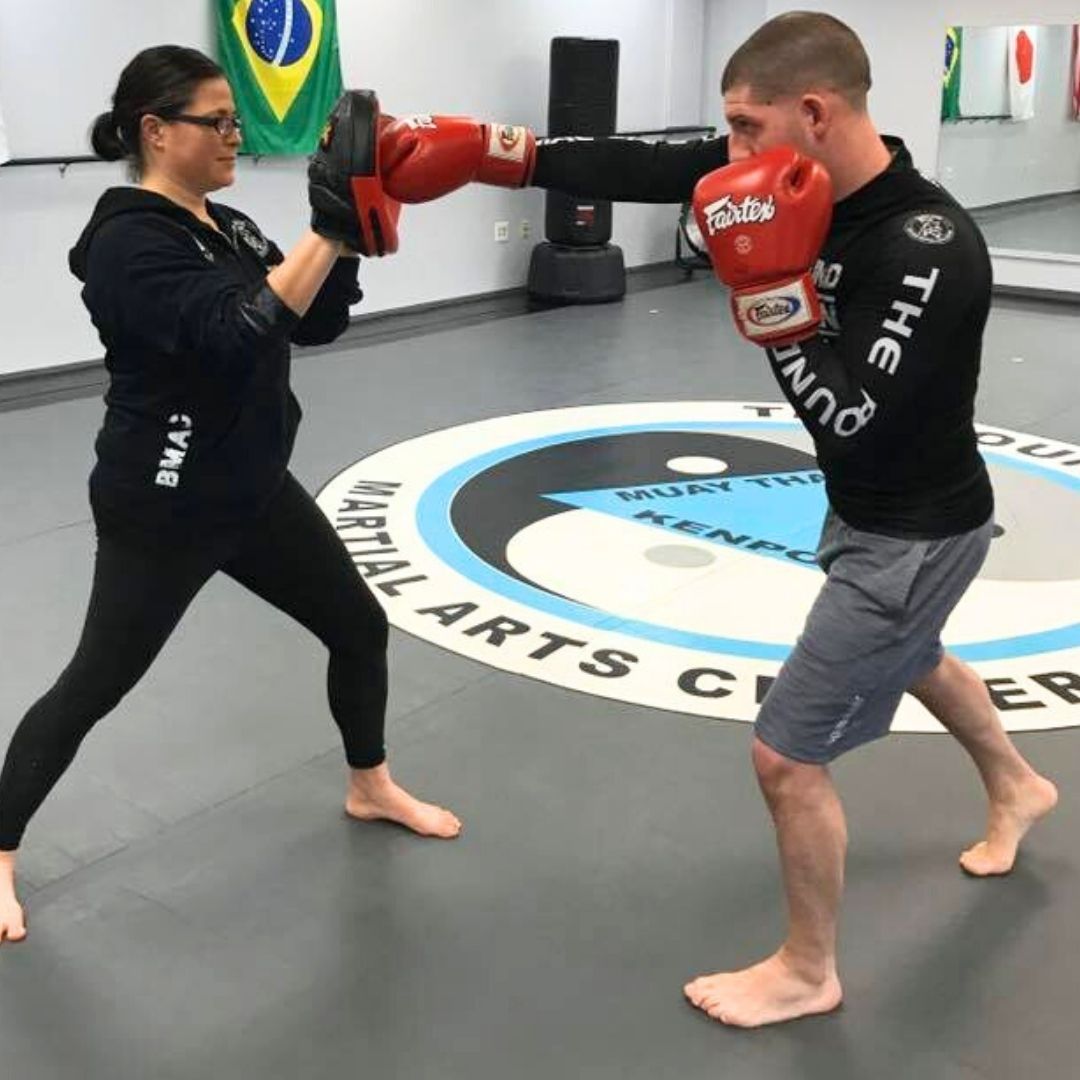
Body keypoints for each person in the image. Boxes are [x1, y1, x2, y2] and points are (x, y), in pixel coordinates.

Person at [371, 11, 1059, 1027]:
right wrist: (488, 154)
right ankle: (1015, 782)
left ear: (813, 115)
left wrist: (772, 294)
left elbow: (854, 419)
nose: (726, 155)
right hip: (878, 515)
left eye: (743, 129)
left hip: (912, 531)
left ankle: (806, 969)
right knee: (914, 655)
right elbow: (626, 160)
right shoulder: (782, 168)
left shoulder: (928, 247)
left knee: (786, 755)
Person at [0, 45, 459, 947]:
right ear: (155, 131)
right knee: (98, 682)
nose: (233, 136)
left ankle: (368, 783)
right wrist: (325, 232)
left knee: (358, 627)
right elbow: (235, 335)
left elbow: (313, 319)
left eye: (235, 121)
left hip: (248, 485)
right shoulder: (127, 242)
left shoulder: (225, 223)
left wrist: (356, 227)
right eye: (217, 120)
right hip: (165, 503)